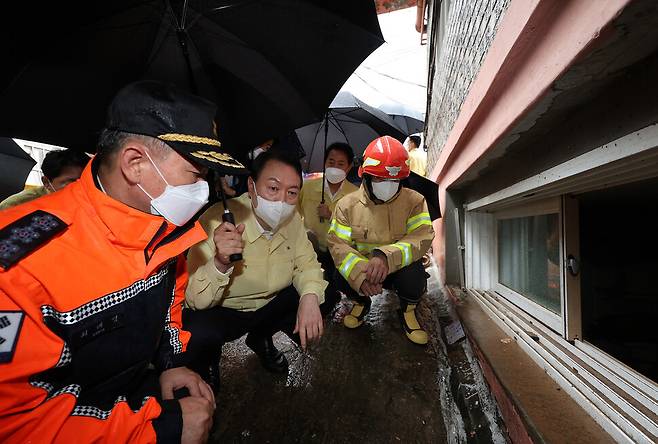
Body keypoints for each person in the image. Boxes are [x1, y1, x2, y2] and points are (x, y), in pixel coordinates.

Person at [0, 80, 247, 443]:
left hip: (134, 386)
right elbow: (17, 422)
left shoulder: (165, 225)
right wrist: (157, 432)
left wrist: (170, 361)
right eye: (196, 175)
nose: (203, 189)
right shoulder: (19, 264)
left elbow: (170, 304)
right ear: (135, 164)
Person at [183, 150, 331, 384]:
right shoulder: (215, 219)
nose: (281, 201)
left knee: (325, 294)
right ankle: (207, 360)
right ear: (251, 186)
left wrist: (310, 298)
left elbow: (307, 263)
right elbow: (193, 299)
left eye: (292, 193)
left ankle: (261, 337)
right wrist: (220, 263)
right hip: (225, 310)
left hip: (269, 304)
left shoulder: (292, 220)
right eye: (273, 188)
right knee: (196, 334)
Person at [328, 136, 435, 345]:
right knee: (339, 274)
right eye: (379, 179)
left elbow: (422, 237)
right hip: (366, 271)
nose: (387, 185)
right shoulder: (346, 205)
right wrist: (360, 275)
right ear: (365, 175)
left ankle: (408, 310)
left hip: (397, 269)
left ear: (402, 178)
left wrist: (386, 257)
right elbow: (338, 245)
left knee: (415, 277)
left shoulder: (415, 201)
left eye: (394, 180)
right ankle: (361, 302)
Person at [297, 142, 358, 281]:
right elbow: (295, 214)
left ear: (348, 168)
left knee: (334, 283)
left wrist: (331, 216)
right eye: (331, 162)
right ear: (324, 163)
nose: (335, 167)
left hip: (339, 251)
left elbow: (356, 230)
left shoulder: (355, 194)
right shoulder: (307, 186)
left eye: (341, 164)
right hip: (310, 248)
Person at [0, 148, 89, 210]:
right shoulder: (15, 206)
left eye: (86, 181)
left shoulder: (92, 202)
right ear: (46, 182)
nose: (81, 188)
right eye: (72, 182)